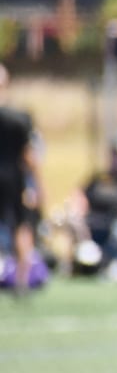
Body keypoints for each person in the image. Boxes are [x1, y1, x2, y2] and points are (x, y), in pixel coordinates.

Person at [0, 63, 45, 294]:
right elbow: (29, 156)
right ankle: (21, 278)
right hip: (13, 177)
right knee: (21, 226)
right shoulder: (19, 117)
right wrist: (35, 184)